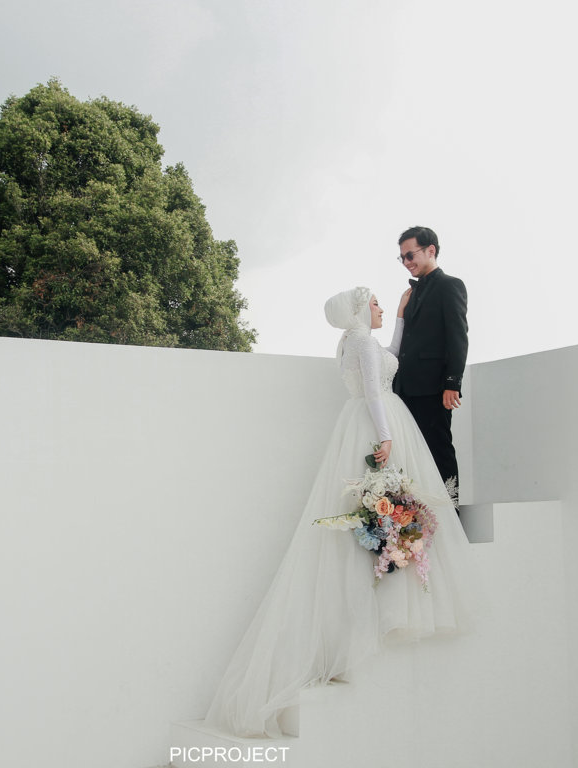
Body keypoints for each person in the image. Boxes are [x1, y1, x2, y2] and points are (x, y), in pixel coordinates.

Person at [204, 287, 482, 738]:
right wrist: (386, 435)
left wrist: (399, 319)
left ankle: (388, 583)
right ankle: (382, 604)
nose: (378, 308)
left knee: (383, 508)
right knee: (387, 503)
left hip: (367, 420)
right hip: (379, 421)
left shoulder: (354, 340)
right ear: (358, 311)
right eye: (374, 304)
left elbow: (389, 358)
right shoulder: (361, 342)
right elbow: (374, 388)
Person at [393, 226, 468, 505]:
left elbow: (458, 337)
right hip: (405, 389)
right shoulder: (410, 294)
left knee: (439, 450)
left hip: (434, 387)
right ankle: (419, 517)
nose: (406, 262)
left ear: (431, 250)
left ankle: (452, 512)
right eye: (402, 257)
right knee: (410, 456)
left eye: (410, 255)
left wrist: (452, 383)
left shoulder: (451, 285)